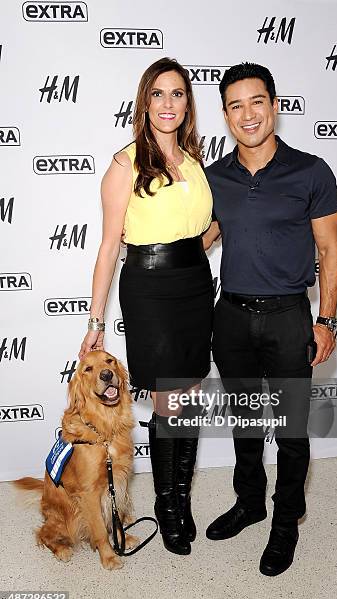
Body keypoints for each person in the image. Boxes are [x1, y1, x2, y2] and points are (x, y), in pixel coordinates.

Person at [203, 62, 337, 576]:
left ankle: (285, 524)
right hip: (231, 316)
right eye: (235, 105)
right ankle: (249, 502)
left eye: (256, 101)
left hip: (288, 316)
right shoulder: (214, 177)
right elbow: (202, 238)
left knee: (289, 430)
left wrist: (325, 320)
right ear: (225, 115)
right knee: (243, 420)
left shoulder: (311, 170)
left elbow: (330, 250)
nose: (247, 114)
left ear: (275, 105)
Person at [79, 57, 214, 556]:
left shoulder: (196, 163)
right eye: (158, 94)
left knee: (193, 395)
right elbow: (109, 246)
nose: (167, 104)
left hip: (196, 285)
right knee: (168, 401)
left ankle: (182, 495)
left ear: (188, 104)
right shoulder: (126, 162)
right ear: (144, 101)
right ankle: (166, 504)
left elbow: (205, 226)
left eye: (177, 94)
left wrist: (194, 252)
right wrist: (96, 320)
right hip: (150, 288)